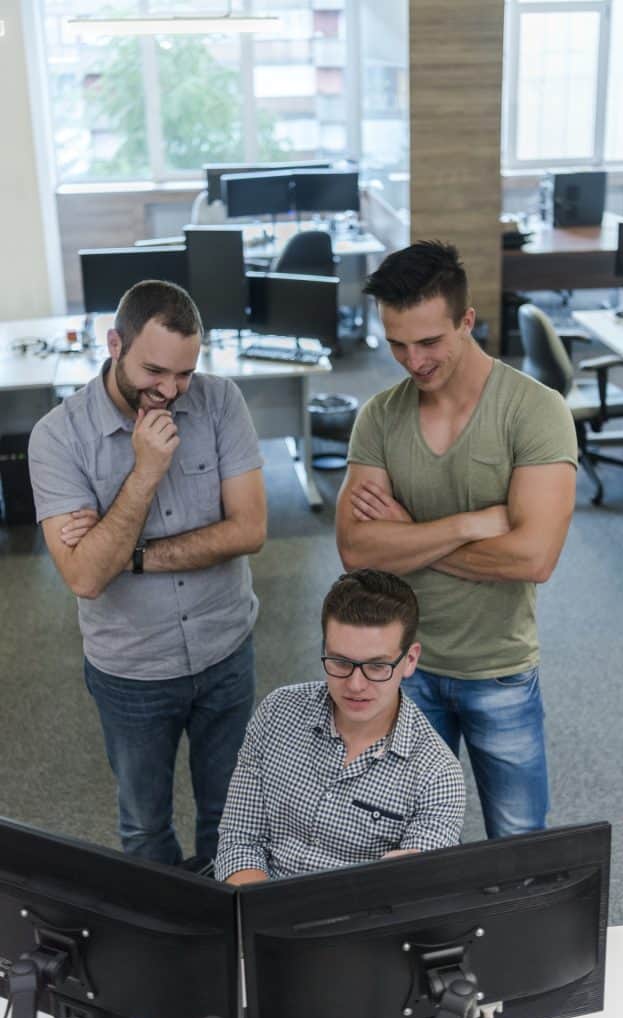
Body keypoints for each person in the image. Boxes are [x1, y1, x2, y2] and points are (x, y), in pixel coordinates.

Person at [336, 241, 577, 839]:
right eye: (397, 343)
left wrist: (406, 534)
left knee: (518, 846)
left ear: (466, 321)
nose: (413, 361)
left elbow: (534, 557)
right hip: (404, 668)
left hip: (499, 668)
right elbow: (357, 550)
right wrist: (468, 524)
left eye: (429, 341)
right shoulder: (379, 417)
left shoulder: (534, 411)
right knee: (401, 845)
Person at [28, 279, 267, 866]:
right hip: (132, 670)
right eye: (155, 371)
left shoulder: (219, 402)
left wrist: (129, 555)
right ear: (115, 344)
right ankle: (166, 954)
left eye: (184, 373)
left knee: (232, 817)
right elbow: (84, 577)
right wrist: (144, 473)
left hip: (224, 651)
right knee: (143, 827)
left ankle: (226, 941)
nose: (170, 390)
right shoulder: (58, 439)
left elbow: (249, 531)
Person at [215, 569, 465, 884]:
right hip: (258, 906)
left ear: (410, 660)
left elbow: (404, 895)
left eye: (377, 666)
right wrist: (258, 920)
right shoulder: (277, 713)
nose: (355, 684)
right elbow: (240, 839)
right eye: (340, 662)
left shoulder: (438, 775)